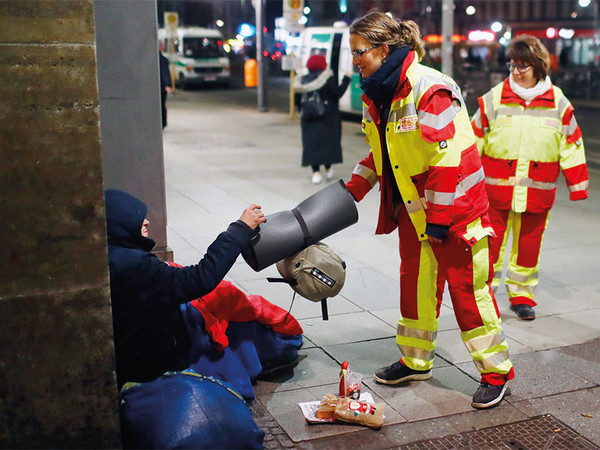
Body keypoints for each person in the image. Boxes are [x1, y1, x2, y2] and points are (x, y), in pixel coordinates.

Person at [345, 11, 514, 409]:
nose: (355, 61)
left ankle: (496, 372)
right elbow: (384, 151)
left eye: (359, 52)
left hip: (456, 213)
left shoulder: (429, 88)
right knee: (415, 288)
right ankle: (415, 360)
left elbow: (447, 159)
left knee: (469, 294)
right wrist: (354, 187)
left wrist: (438, 220)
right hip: (416, 211)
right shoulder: (380, 92)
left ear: (383, 50)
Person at [104, 189, 303, 397]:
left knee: (225, 300)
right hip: (154, 365)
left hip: (140, 351)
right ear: (119, 224)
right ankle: (270, 352)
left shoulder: (112, 255)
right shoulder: (132, 264)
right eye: (137, 218)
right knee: (226, 315)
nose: (146, 222)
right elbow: (200, 278)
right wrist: (240, 229)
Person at [471, 35, 588, 321]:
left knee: (529, 247)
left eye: (523, 66)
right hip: (496, 193)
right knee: (491, 247)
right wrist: (463, 179)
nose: (516, 72)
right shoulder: (494, 98)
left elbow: (572, 142)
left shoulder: (557, 102)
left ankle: (521, 294)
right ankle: (485, 297)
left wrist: (578, 185)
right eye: (513, 65)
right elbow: (473, 139)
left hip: (538, 193)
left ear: (538, 67)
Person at [293, 54, 351, 184]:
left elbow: (297, 101)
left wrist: (303, 111)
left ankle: (316, 173)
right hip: (328, 118)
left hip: (308, 119)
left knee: (311, 145)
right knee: (328, 143)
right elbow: (337, 93)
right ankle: (328, 168)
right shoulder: (328, 79)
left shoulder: (302, 80)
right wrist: (346, 79)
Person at [159, 43, 172, 129]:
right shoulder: (163, 60)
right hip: (162, 87)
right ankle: (163, 122)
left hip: (157, 87)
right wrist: (167, 85)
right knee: (162, 105)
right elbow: (165, 73)